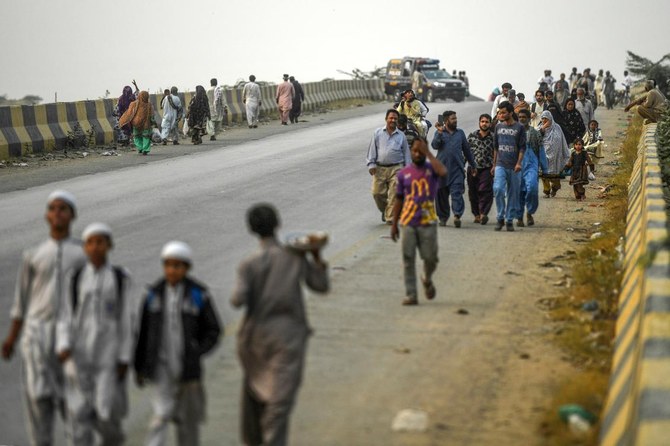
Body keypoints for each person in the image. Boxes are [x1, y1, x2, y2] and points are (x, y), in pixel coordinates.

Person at [231, 204, 329, 446]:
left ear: (252, 229)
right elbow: (320, 286)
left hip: (255, 338)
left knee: (257, 391)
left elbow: (237, 300)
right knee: (279, 401)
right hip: (289, 336)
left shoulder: (249, 264)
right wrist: (316, 256)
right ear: (278, 224)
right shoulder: (294, 255)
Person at [2, 190, 87, 446]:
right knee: (39, 410)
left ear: (72, 215)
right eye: (53, 208)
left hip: (72, 340)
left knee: (76, 412)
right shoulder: (33, 255)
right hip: (37, 339)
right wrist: (11, 338)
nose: (58, 213)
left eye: (63, 208)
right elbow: (21, 302)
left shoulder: (83, 255)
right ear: (47, 215)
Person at [134, 241, 222, 446]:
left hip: (187, 368)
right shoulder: (153, 295)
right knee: (161, 415)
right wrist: (139, 367)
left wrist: (198, 350)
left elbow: (213, 330)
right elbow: (143, 333)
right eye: (168, 265)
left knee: (187, 421)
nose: (172, 270)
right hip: (160, 365)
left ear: (187, 268)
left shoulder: (198, 295)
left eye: (177, 266)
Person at [56, 223, 132, 446]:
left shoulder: (120, 278)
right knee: (78, 416)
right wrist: (63, 345)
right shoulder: (76, 277)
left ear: (109, 245)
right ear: (85, 247)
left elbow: (126, 319)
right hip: (79, 356)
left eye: (101, 242)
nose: (96, 247)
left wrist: (124, 357)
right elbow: (66, 314)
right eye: (91, 242)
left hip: (108, 356)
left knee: (106, 415)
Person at [390, 134, 447, 305]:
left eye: (420, 150)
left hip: (427, 221)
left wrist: (428, 153)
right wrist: (394, 224)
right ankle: (411, 294)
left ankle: (427, 278)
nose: (417, 154)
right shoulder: (404, 174)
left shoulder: (432, 170)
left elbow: (443, 172)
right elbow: (399, 199)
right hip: (408, 221)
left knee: (430, 258)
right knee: (408, 259)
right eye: (414, 150)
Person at [431, 110, 476, 228]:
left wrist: (473, 165)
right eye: (453, 119)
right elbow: (434, 145)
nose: (455, 121)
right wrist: (439, 133)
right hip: (441, 170)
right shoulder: (439, 132)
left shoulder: (460, 133)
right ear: (446, 121)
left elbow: (467, 150)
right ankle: (443, 217)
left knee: (457, 193)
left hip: (457, 170)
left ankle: (457, 215)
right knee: (441, 195)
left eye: (455, 118)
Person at [366, 109, 411, 223]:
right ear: (386, 119)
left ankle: (390, 217)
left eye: (395, 118)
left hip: (397, 168)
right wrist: (371, 164)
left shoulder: (401, 136)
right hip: (380, 169)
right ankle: (386, 210)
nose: (393, 120)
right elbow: (372, 150)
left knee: (394, 194)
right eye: (391, 118)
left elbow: (406, 154)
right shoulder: (378, 133)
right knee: (376, 193)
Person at [492, 101, 525, 232]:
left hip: (514, 167)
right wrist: (494, 165)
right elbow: (495, 147)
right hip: (500, 164)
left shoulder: (519, 128)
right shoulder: (498, 127)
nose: (501, 114)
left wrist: (519, 163)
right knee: (498, 189)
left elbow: (522, 147)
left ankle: (509, 219)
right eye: (500, 112)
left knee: (513, 193)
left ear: (511, 113)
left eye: (504, 112)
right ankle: (500, 217)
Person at [516, 109, 548, 227]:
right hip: (517, 166)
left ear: (529, 119)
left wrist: (544, 169)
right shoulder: (514, 133)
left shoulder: (535, 133)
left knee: (532, 189)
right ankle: (519, 216)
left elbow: (541, 150)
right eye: (520, 117)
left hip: (531, 165)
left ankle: (530, 212)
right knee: (518, 192)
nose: (522, 119)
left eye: (524, 117)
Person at [466, 113, 495, 224]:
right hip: (473, 168)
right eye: (482, 121)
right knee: (473, 193)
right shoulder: (472, 136)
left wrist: (495, 166)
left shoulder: (493, 137)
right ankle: (476, 214)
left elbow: (496, 152)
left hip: (487, 168)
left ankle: (483, 213)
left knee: (485, 190)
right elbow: (466, 152)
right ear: (479, 123)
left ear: (490, 123)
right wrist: (463, 166)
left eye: (486, 122)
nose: (484, 124)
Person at [538, 110, 570, 197]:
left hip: (555, 155)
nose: (544, 120)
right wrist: (543, 128)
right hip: (544, 154)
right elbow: (537, 138)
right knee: (543, 173)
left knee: (554, 175)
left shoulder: (557, 127)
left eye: (546, 118)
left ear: (550, 118)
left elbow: (561, 140)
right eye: (543, 118)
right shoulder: (540, 127)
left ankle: (555, 187)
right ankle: (547, 191)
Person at [118, 90, 156, 155]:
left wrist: (123, 120)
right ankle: (145, 149)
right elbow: (152, 115)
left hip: (136, 123)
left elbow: (129, 113)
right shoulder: (149, 105)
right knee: (146, 137)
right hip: (146, 124)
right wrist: (153, 122)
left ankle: (140, 148)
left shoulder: (134, 104)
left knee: (137, 136)